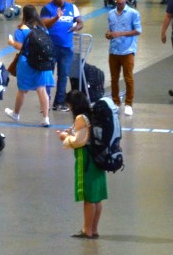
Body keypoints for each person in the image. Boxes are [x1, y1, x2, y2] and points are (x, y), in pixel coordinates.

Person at [59, 89, 107, 240]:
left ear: (73, 105)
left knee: (88, 197)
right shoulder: (92, 114)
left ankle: (87, 230)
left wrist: (65, 137)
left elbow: (79, 142)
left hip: (86, 159)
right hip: (98, 157)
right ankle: (94, 228)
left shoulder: (81, 118)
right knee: (97, 196)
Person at [4, 5, 52, 126]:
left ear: (24, 15)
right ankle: (46, 118)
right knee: (42, 89)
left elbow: (20, 46)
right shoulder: (42, 28)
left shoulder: (21, 29)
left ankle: (16, 114)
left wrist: (11, 42)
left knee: (22, 90)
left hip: (26, 62)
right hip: (41, 62)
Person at [40, 0, 83, 111]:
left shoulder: (72, 7)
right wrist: (56, 17)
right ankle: (45, 102)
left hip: (66, 48)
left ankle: (59, 102)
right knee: (48, 75)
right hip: (51, 47)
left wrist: (77, 26)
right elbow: (45, 24)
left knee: (63, 76)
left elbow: (80, 21)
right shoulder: (47, 9)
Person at [105, 0, 142, 116]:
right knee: (114, 78)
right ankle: (115, 102)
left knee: (128, 78)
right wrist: (109, 34)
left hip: (128, 51)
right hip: (114, 50)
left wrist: (120, 34)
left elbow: (138, 30)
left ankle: (129, 103)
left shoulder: (133, 13)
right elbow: (111, 31)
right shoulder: (110, 14)